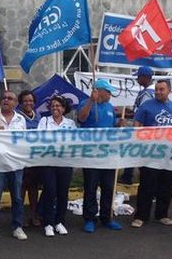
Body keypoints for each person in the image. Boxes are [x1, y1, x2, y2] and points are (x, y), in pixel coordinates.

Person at [131, 79, 172, 228]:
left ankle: (162, 215)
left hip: (169, 156)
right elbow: (137, 125)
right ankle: (140, 216)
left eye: (161, 89)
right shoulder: (146, 107)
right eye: (156, 89)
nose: (158, 92)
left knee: (166, 186)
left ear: (169, 90)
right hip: (150, 155)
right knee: (147, 186)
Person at [77, 79, 124, 233]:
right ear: (99, 91)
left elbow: (111, 126)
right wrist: (91, 100)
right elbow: (81, 118)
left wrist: (119, 124)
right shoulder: (85, 103)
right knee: (90, 186)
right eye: (108, 91)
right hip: (91, 154)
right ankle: (90, 218)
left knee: (108, 187)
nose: (110, 95)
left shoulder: (110, 107)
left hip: (108, 154)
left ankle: (106, 217)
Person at [0, 90, 28, 243]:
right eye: (4, 98)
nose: (6, 100)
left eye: (10, 98)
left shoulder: (21, 119)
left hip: (16, 164)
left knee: (17, 197)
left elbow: (23, 142)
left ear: (16, 103)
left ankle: (17, 226)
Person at [37, 95, 77, 237]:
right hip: (48, 162)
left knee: (62, 193)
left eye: (58, 105)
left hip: (65, 162)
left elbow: (74, 141)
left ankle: (59, 222)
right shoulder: (44, 121)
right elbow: (39, 138)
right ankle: (48, 223)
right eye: (53, 105)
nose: (55, 108)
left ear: (64, 108)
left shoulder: (70, 123)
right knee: (50, 191)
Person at [120, 66, 155, 185]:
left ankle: (127, 177)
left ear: (145, 78)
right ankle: (128, 176)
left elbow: (142, 113)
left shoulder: (147, 93)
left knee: (134, 152)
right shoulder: (150, 91)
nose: (137, 79)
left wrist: (124, 114)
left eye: (139, 77)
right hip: (146, 130)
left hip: (142, 129)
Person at [17, 90, 42, 227]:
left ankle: (33, 215)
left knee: (33, 187)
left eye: (31, 101)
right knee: (21, 187)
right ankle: (20, 217)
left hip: (35, 157)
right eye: (25, 101)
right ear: (21, 103)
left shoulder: (38, 116)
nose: (28, 103)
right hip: (21, 156)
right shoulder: (17, 116)